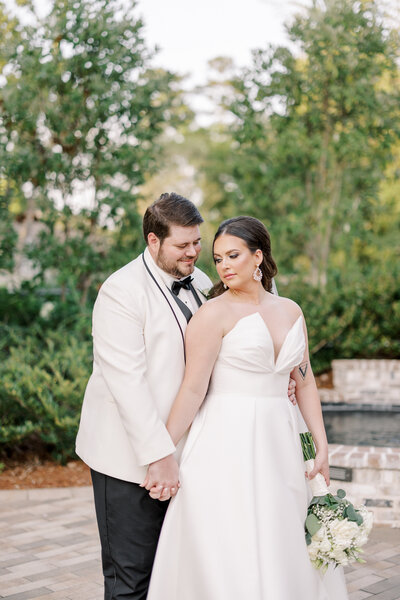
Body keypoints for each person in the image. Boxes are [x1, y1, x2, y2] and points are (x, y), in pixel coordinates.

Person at [75, 194, 296, 600]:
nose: (194, 253)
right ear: (153, 241)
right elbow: (127, 385)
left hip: (192, 454)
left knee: (176, 575)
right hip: (130, 458)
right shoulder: (120, 292)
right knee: (133, 579)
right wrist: (159, 457)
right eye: (183, 245)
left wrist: (274, 372)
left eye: (197, 243)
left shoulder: (199, 280)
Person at [146, 216, 348, 600]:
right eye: (218, 258)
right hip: (225, 441)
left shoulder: (291, 311)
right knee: (230, 538)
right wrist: (162, 451)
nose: (223, 266)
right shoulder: (212, 314)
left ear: (258, 257)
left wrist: (321, 446)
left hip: (282, 440)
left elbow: (304, 381)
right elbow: (192, 390)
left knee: (281, 530)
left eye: (233, 255)